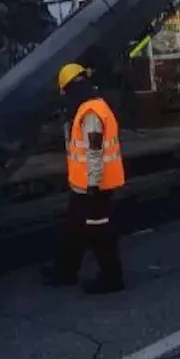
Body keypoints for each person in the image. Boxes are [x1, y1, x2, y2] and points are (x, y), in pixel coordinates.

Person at [42, 63, 126, 294]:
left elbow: (94, 151)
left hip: (95, 188)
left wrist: (92, 185)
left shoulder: (91, 112)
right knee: (74, 229)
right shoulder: (91, 107)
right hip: (84, 187)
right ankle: (65, 271)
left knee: (100, 233)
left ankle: (112, 278)